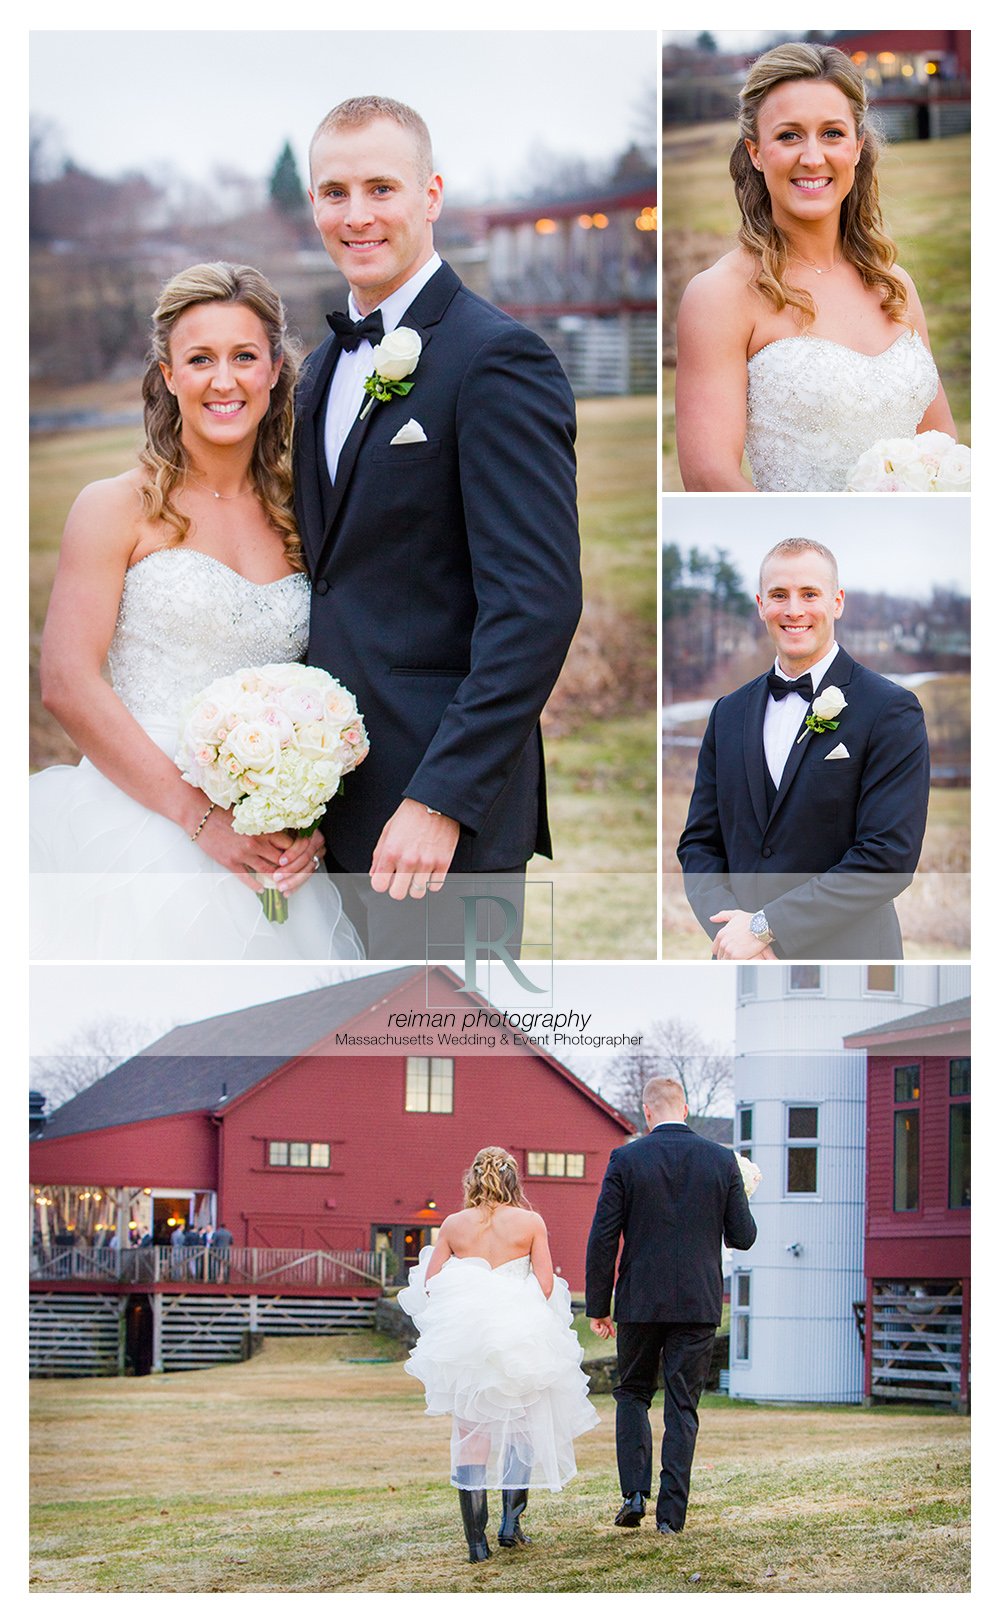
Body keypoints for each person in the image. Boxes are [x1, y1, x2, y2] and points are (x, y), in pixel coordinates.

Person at [295, 96, 582, 954]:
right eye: (333, 191)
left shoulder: (497, 358)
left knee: (440, 1074)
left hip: (441, 827)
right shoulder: (317, 370)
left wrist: (439, 798)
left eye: (381, 187)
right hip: (330, 811)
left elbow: (536, 605)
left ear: (431, 195)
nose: (356, 215)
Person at [30, 262, 362, 961]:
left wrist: (300, 812)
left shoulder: (300, 513)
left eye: (244, 357)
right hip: (138, 826)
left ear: (274, 370)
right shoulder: (114, 506)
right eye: (200, 359)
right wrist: (200, 817)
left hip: (271, 853)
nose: (224, 380)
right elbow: (66, 680)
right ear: (167, 375)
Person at [675, 42, 957, 492]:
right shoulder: (721, 295)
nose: (812, 157)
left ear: (859, 147)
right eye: (789, 135)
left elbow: (940, 442)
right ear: (755, 152)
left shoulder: (895, 286)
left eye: (832, 133)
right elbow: (711, 477)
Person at [677, 537, 930, 959]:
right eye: (779, 595)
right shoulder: (727, 713)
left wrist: (765, 928)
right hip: (740, 957)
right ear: (761, 605)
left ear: (837, 602)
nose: (793, 610)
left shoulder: (890, 709)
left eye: (809, 594)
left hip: (849, 957)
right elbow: (700, 843)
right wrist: (735, 932)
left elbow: (888, 857)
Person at [397, 1147, 599, 1563]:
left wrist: (472, 1298)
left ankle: (476, 1544)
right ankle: (511, 1525)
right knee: (521, 1429)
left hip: (470, 1343)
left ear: (473, 1178)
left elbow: (430, 1284)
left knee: (472, 1436)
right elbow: (545, 1284)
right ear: (512, 1180)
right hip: (518, 1338)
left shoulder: (454, 1224)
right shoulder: (529, 1222)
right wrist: (510, 1306)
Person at [585, 1077, 756, 1535]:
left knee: (633, 1393)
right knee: (683, 1405)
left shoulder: (626, 1158)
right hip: (698, 1302)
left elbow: (603, 1235)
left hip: (640, 1299)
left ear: (646, 1112)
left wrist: (599, 1304)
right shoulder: (722, 1161)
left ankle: (634, 1493)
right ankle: (671, 1518)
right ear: (685, 1106)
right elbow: (743, 1236)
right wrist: (737, 1193)